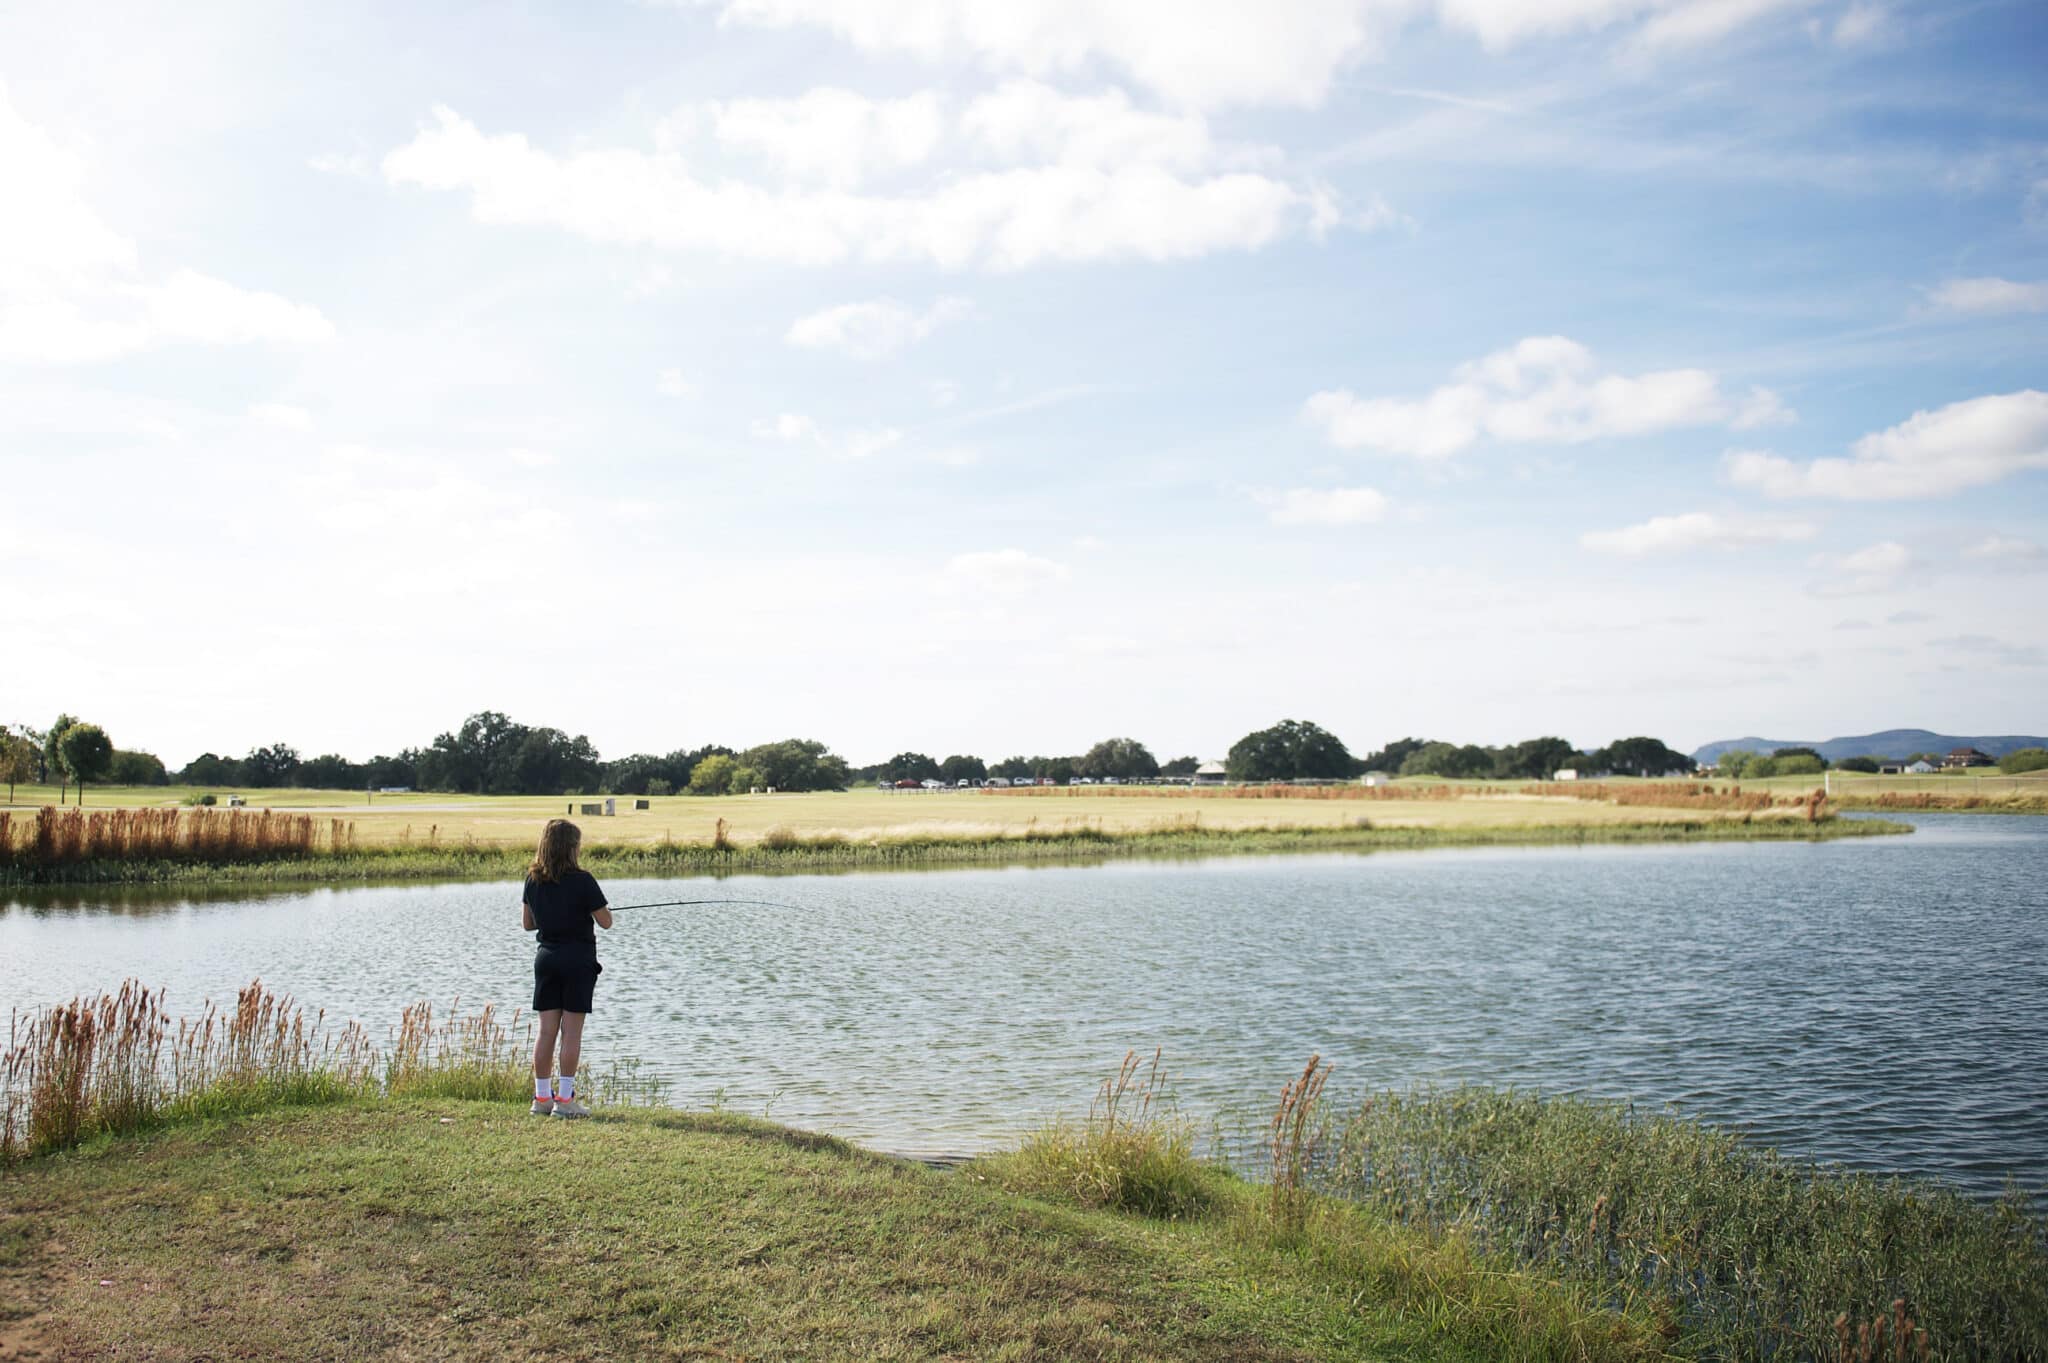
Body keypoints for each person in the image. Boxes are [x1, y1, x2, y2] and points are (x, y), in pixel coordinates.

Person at [521, 818, 611, 1118]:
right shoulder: (583, 880)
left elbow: (527, 924)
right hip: (578, 960)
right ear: (572, 847)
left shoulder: (532, 879)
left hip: (546, 959)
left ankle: (542, 1098)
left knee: (546, 1033)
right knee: (571, 1033)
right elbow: (606, 922)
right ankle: (565, 1100)